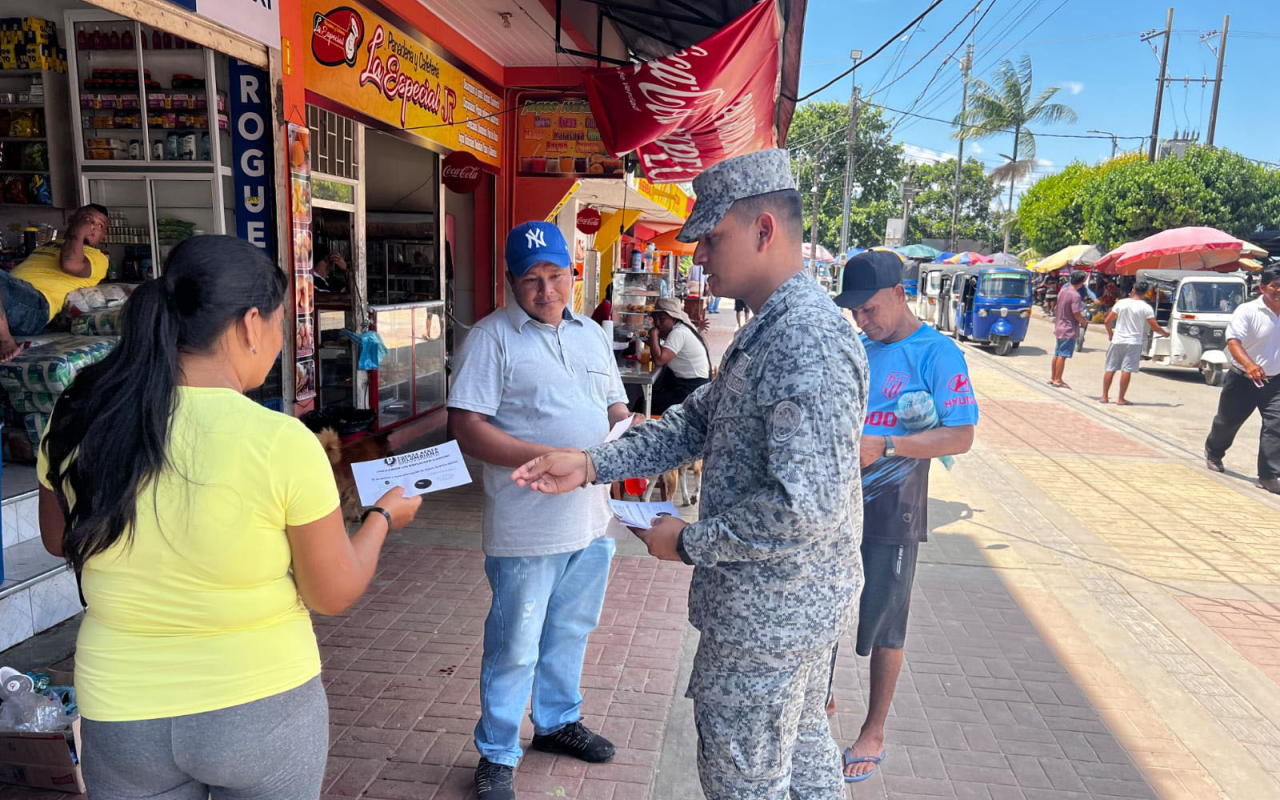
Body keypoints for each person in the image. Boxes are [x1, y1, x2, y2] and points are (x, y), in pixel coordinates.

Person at [511, 149, 869, 800]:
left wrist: (687, 541)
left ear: (764, 228)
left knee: (746, 784)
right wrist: (593, 462)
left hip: (768, 623)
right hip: (785, 613)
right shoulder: (769, 333)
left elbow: (801, 511)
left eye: (712, 236)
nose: (698, 254)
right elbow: (692, 424)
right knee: (805, 769)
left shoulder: (802, 342)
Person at [37, 235, 422, 799]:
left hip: (121, 709)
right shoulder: (281, 441)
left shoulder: (80, 415)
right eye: (278, 322)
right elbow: (332, 592)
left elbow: (56, 538)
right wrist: (384, 515)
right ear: (248, 324)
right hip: (260, 704)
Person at [448, 221, 638, 800]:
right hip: (526, 525)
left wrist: (625, 436)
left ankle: (556, 723)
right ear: (510, 281)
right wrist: (550, 457)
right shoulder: (490, 338)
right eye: (531, 279)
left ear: (571, 276)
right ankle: (498, 752)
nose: (545, 290)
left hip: (590, 516)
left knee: (571, 629)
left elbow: (613, 406)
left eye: (555, 276)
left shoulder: (591, 334)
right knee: (515, 643)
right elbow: (466, 429)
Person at [831, 250, 978, 782]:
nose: (861, 321)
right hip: (835, 508)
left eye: (869, 310)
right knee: (824, 608)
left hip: (896, 510)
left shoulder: (938, 354)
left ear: (900, 294)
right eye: (854, 313)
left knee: (887, 621)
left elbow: (960, 435)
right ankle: (818, 702)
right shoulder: (860, 350)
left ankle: (873, 729)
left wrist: (889, 444)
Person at [1204, 263, 1280, 494]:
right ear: (1262, 288)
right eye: (1276, 286)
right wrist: (1249, 364)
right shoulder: (1247, 311)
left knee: (1276, 426)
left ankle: (1268, 475)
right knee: (1227, 423)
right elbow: (1234, 341)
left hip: (1275, 382)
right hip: (1242, 380)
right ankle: (1214, 452)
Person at [0, 204, 111, 361]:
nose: (92, 227)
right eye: (87, 220)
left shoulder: (98, 258)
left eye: (99, 225)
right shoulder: (49, 245)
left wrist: (79, 230)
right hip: (12, 296)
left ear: (102, 236)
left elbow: (69, 263)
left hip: (37, 306)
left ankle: (5, 340)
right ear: (72, 220)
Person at [634, 296, 712, 416]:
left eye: (662, 318)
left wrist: (654, 335)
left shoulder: (679, 333)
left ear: (674, 318)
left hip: (691, 390)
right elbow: (660, 351)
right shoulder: (680, 329)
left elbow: (660, 360)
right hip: (688, 386)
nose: (658, 323)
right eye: (655, 319)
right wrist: (647, 339)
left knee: (643, 403)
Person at [1101, 281, 1169, 405]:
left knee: (1110, 368)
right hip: (1133, 342)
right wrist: (1165, 334)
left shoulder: (1121, 303)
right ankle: (1121, 399)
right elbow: (1154, 326)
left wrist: (1111, 334)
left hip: (1117, 340)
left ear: (1133, 290)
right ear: (1145, 293)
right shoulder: (1146, 307)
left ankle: (1104, 396)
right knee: (1126, 370)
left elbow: (1107, 321)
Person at [1050, 270, 1089, 389]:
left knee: (1057, 353)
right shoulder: (1075, 295)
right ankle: (1057, 379)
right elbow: (1076, 313)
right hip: (1069, 328)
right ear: (1082, 282)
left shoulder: (1063, 291)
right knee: (1063, 354)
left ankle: (1053, 377)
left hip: (1059, 326)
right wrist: (1083, 322)